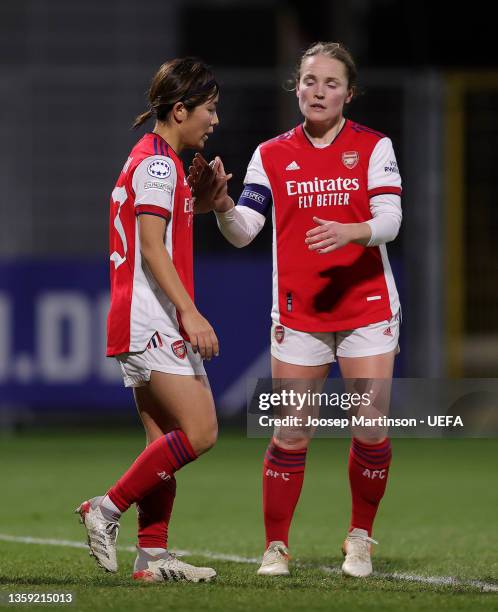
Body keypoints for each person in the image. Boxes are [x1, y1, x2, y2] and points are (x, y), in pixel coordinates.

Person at [188, 42, 402, 578]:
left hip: (367, 310)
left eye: (331, 83)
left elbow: (391, 218)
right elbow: (244, 232)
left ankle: (359, 539)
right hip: (299, 315)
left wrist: (353, 231)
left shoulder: (374, 148)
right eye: (310, 81)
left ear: (348, 94)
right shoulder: (271, 154)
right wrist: (221, 207)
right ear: (297, 87)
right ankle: (276, 547)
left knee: (370, 428)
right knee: (290, 432)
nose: (319, 91)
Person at [75, 57, 221, 583]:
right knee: (200, 432)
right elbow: (153, 248)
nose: (214, 119)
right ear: (179, 110)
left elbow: (153, 229)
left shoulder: (153, 159)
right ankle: (106, 509)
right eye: (209, 108)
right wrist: (190, 311)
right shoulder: (160, 165)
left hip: (134, 316)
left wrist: (197, 204)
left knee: (161, 440)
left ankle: (152, 558)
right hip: (153, 316)